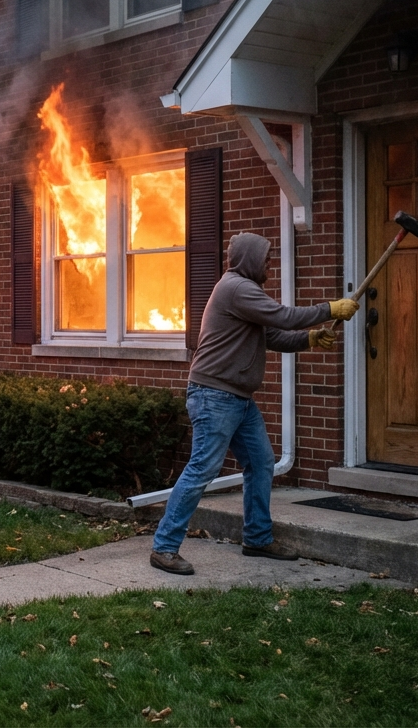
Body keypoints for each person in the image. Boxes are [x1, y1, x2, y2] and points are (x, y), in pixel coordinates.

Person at [149, 232, 358, 576]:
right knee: (202, 469)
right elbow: (284, 317)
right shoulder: (236, 288)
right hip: (215, 395)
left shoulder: (245, 292)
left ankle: (257, 539)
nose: (270, 264)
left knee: (261, 464)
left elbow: (273, 335)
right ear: (250, 259)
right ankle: (164, 548)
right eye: (266, 258)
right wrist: (329, 309)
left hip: (238, 399)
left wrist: (310, 338)